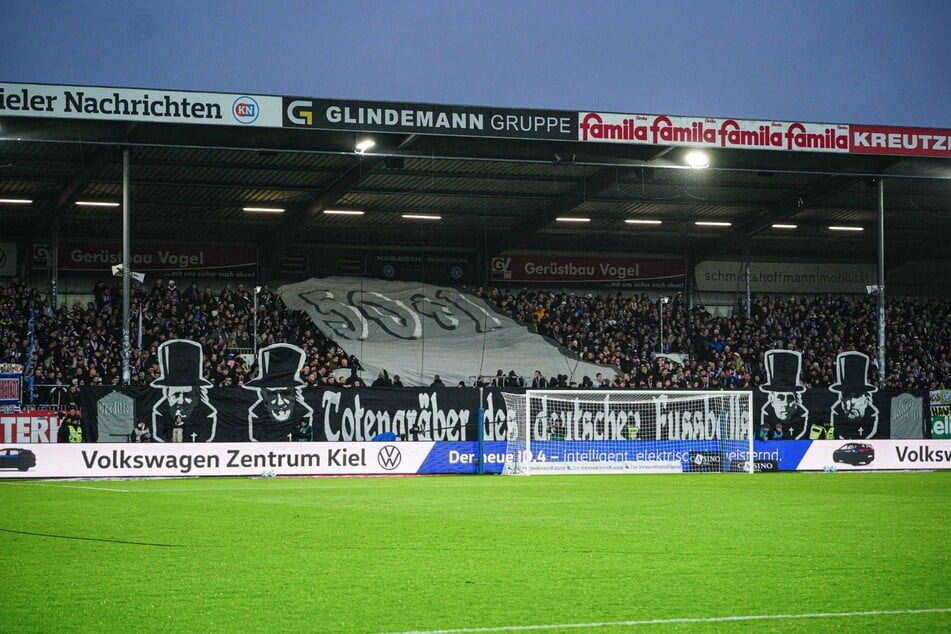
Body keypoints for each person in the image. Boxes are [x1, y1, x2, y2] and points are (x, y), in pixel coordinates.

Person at [150, 339, 218, 442]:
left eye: (187, 395)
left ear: (198, 394)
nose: (181, 401)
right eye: (175, 395)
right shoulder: (159, 414)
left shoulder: (207, 415)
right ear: (167, 394)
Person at [244, 343, 314, 442]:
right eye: (272, 394)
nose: (280, 402)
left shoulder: (304, 413)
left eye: (286, 394)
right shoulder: (255, 414)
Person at [758, 350, 809, 439]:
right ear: (772, 399)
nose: (785, 404)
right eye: (780, 398)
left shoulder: (802, 416)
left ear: (797, 402)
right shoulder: (766, 417)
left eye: (790, 398)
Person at [829, 351, 879, 439]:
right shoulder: (836, 411)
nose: (850, 402)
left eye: (856, 395)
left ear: (866, 399)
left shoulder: (871, 414)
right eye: (846, 395)